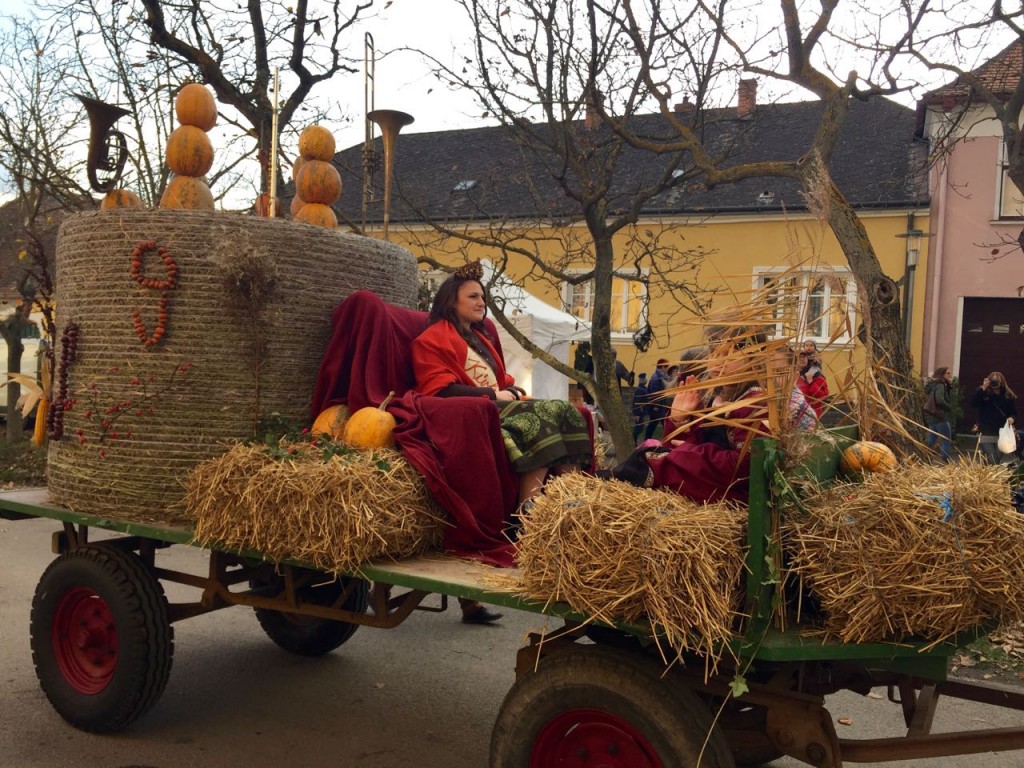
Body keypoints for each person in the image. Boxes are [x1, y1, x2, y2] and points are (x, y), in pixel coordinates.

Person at [410, 261, 594, 623]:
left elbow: (504, 378)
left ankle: (570, 502)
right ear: (452, 301)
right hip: (474, 410)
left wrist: (506, 390)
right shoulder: (430, 340)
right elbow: (439, 389)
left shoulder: (482, 338)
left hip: (497, 403)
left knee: (568, 411)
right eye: (474, 296)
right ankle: (529, 514)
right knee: (537, 418)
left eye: (483, 296)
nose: (482, 302)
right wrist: (490, 394)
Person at [969, 370, 1017, 465]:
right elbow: (973, 403)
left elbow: (1014, 412)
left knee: (996, 461)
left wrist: (1012, 418)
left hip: (1002, 433)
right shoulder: (983, 393)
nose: (995, 383)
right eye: (993, 381)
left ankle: (988, 473)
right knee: (993, 461)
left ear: (1002, 382)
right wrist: (983, 387)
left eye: (997, 381)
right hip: (986, 431)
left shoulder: (1008, 395)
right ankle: (990, 474)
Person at [922, 366, 954, 462]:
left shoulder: (934, 384)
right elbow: (939, 400)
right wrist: (949, 407)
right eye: (948, 373)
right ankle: (946, 460)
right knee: (946, 439)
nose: (950, 375)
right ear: (942, 375)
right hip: (940, 416)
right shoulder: (940, 385)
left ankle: (922, 455)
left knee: (931, 440)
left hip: (932, 416)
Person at [640, 359, 671, 441]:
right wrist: (656, 405)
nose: (668, 368)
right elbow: (656, 393)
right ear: (663, 367)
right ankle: (647, 440)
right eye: (667, 366)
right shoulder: (656, 378)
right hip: (657, 407)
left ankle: (648, 440)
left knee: (661, 424)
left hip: (660, 406)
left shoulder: (660, 377)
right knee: (654, 424)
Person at [796, 350, 830, 419]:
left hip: (813, 415)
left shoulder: (817, 375)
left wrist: (811, 382)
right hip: (796, 415)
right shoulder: (791, 376)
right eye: (799, 357)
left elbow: (823, 396)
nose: (802, 359)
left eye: (804, 357)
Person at [631, 372, 649, 442]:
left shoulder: (643, 389)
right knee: (639, 428)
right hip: (639, 412)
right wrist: (637, 414)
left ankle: (633, 440)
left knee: (640, 427)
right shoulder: (640, 390)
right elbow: (636, 402)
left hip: (641, 412)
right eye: (645, 379)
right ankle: (632, 440)